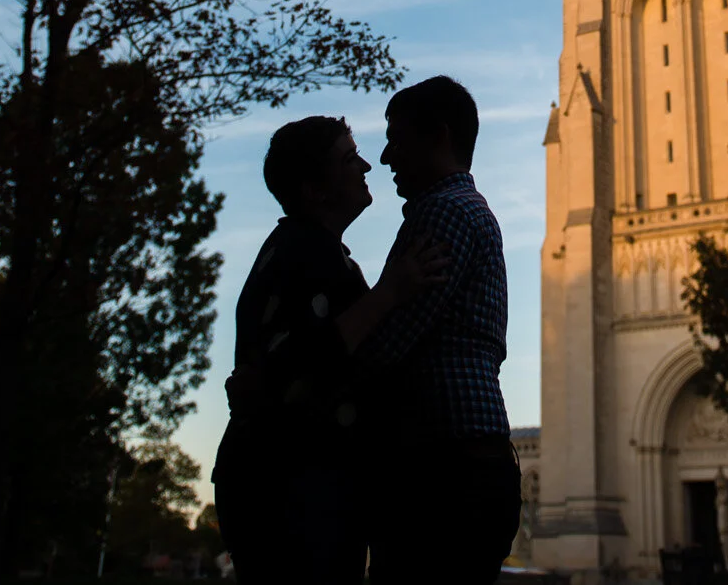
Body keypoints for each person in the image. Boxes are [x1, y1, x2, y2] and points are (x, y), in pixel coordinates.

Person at [213, 116, 443, 585]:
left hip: (299, 484)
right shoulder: (302, 251)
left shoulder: (317, 252)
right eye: (347, 158)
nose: (365, 165)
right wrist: (391, 292)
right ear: (314, 190)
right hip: (289, 488)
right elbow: (307, 358)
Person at [355, 76, 519, 585]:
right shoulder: (469, 209)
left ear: (439, 137)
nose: (385, 157)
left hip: (445, 469)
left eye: (397, 139)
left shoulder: (444, 213)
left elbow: (387, 346)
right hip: (468, 463)